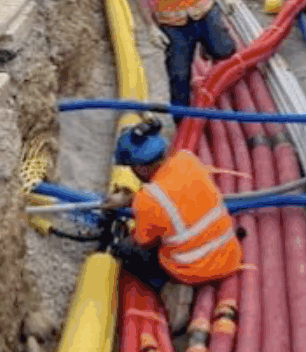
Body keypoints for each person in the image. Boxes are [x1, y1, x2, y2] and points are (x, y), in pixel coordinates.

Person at [104, 116, 243, 333]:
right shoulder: (187, 160)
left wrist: (130, 211)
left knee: (125, 250)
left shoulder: (149, 200)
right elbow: (177, 197)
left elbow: (143, 242)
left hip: (191, 270)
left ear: (139, 168)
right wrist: (130, 199)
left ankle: (171, 289)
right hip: (229, 255)